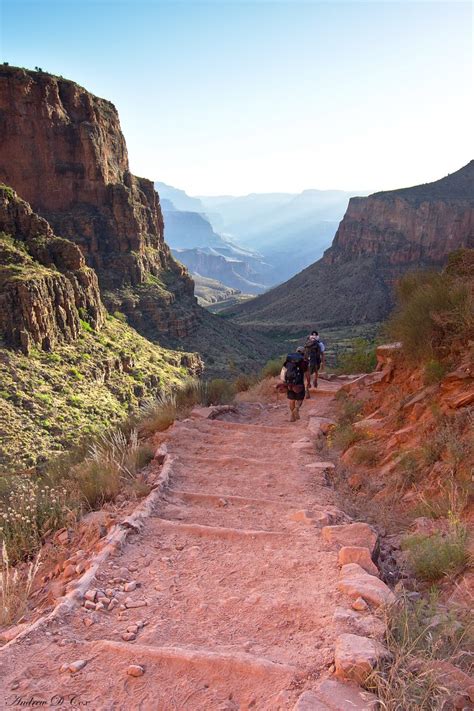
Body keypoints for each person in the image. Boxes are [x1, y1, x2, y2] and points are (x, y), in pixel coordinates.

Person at [280, 347, 307, 421]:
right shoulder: (303, 361)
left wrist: (284, 382)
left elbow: (283, 371)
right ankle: (296, 409)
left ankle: (292, 416)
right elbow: (306, 372)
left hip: (289, 383)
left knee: (292, 399)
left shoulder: (288, 361)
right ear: (303, 353)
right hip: (299, 384)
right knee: (300, 398)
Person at [304, 330, 326, 396]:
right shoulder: (320, 344)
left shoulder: (307, 343)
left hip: (307, 361)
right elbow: (322, 354)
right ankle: (315, 381)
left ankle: (306, 388)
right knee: (316, 371)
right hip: (316, 361)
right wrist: (323, 363)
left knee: (308, 375)